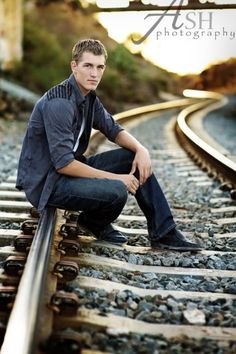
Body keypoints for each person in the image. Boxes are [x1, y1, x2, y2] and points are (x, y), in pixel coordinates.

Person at [16, 39, 202, 251]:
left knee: (132, 157)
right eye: (88, 66)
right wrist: (118, 179)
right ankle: (94, 222)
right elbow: (64, 164)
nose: (94, 74)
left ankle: (165, 233)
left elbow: (113, 129)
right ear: (74, 66)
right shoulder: (60, 103)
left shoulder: (88, 98)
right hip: (49, 183)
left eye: (99, 67)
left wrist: (141, 150)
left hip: (66, 173)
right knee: (116, 191)